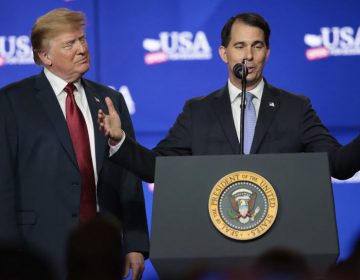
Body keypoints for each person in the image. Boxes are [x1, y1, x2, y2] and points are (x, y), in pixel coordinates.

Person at [98, 12, 360, 183]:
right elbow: (157, 168)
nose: (248, 56)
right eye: (240, 46)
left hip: (281, 244)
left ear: (267, 52)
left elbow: (338, 165)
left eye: (257, 46)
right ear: (224, 53)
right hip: (217, 244)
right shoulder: (197, 112)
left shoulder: (296, 108)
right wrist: (121, 141)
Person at [0, 8, 149, 280]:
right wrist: (8, 254)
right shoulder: (11, 102)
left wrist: (136, 243)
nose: (82, 49)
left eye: (82, 39)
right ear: (45, 56)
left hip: (102, 251)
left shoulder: (110, 100)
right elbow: (3, 182)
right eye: (70, 44)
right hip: (36, 250)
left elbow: (128, 178)